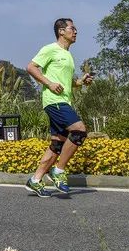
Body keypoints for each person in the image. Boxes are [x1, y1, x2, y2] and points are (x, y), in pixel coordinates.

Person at [24, 18, 94, 197]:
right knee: (79, 131)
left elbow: (67, 83)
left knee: (57, 144)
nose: (76, 31)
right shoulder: (50, 49)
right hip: (54, 101)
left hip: (64, 100)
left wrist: (81, 82)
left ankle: (35, 180)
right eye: (73, 28)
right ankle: (59, 171)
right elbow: (31, 67)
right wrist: (49, 83)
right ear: (61, 31)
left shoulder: (68, 55)